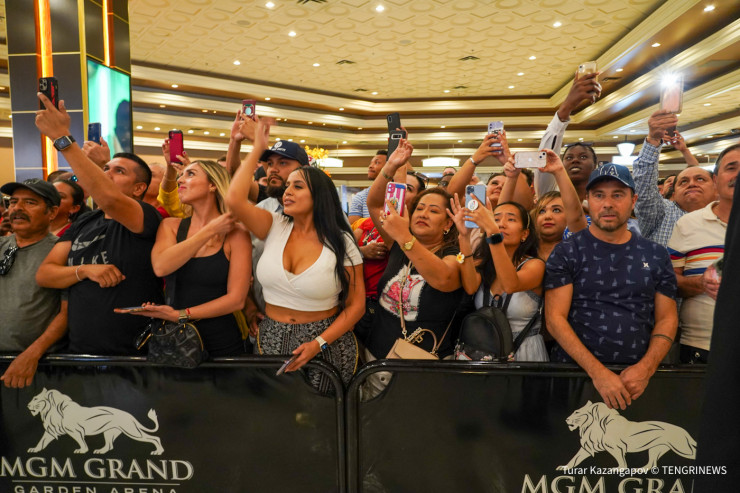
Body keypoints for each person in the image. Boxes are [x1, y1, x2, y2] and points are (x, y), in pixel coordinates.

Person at [226, 117, 364, 392]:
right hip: (271, 336)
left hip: (326, 341)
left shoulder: (341, 240)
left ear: (319, 195)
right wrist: (256, 148)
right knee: (274, 410)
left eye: (297, 186)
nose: (287, 192)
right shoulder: (273, 224)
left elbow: (356, 305)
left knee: (325, 412)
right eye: (287, 186)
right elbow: (234, 199)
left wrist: (319, 343)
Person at [34, 93, 163, 355]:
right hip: (80, 351)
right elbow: (45, 274)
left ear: (139, 188)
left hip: (131, 355)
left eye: (119, 171)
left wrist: (62, 138)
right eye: (105, 169)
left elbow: (110, 199)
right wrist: (85, 270)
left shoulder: (146, 216)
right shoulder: (86, 220)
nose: (107, 174)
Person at [545, 163, 678, 410]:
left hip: (638, 379)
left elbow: (667, 318)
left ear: (633, 200)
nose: (608, 204)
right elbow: (554, 319)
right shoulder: (567, 252)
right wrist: (598, 373)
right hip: (574, 376)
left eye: (617, 195)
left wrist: (646, 368)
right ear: (588, 200)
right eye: (599, 195)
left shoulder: (656, 254)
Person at [117, 160, 251, 357]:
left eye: (191, 174)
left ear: (212, 185)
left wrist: (180, 314)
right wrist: (209, 231)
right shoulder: (171, 226)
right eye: (181, 175)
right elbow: (161, 267)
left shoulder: (237, 233)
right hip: (175, 340)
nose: (180, 180)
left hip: (221, 339)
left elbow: (236, 300)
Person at [365, 138, 465, 366]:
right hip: (377, 356)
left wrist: (405, 237)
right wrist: (390, 166)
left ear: (448, 223)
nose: (423, 214)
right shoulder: (397, 242)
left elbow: (444, 278)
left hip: (424, 362)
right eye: (419, 208)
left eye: (433, 211)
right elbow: (375, 204)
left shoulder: (454, 254)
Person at [450, 191, 548, 361]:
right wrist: (464, 236)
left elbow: (511, 284)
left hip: (525, 353)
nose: (501, 224)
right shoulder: (484, 263)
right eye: (495, 219)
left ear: (525, 234)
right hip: (485, 353)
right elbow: (470, 287)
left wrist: (493, 233)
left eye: (511, 219)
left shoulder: (535, 265)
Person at [667, 143, 740, 363]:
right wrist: (701, 283)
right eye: (731, 168)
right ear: (716, 180)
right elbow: (670, 282)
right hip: (701, 346)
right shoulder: (688, 224)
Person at [0, 179, 67, 388]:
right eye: (13, 202)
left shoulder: (62, 252)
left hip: (37, 366)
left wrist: (33, 354)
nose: (17, 208)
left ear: (52, 212)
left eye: (30, 202)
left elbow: (67, 313)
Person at [353, 170, 427, 346]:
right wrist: (362, 251)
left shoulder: (416, 232)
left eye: (407, 189)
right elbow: (344, 253)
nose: (398, 193)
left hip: (387, 306)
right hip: (357, 300)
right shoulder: (366, 223)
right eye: (392, 187)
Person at [633, 111, 716, 246]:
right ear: (674, 192)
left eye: (700, 179)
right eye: (683, 182)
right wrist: (653, 139)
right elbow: (645, 187)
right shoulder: (661, 214)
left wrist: (685, 151)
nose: (692, 184)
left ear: (716, 187)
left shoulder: (727, 217)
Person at [348, 150, 388, 225]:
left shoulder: (398, 195)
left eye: (377, 162)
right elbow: (353, 227)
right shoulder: (361, 197)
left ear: (389, 167)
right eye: (371, 163)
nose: (370, 166)